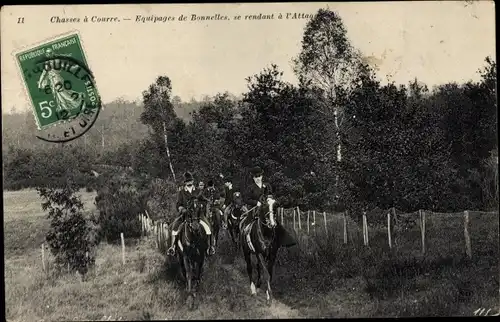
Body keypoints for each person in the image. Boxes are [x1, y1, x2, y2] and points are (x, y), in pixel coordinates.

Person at [168, 172, 215, 256]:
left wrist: (204, 205)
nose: (189, 183)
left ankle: (210, 247)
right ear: (185, 183)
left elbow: (204, 200)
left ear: (193, 181)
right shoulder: (181, 192)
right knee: (174, 227)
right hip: (185, 215)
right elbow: (178, 204)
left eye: (190, 181)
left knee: (208, 227)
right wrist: (182, 209)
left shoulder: (198, 191)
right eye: (187, 181)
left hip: (198, 215)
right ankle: (173, 248)